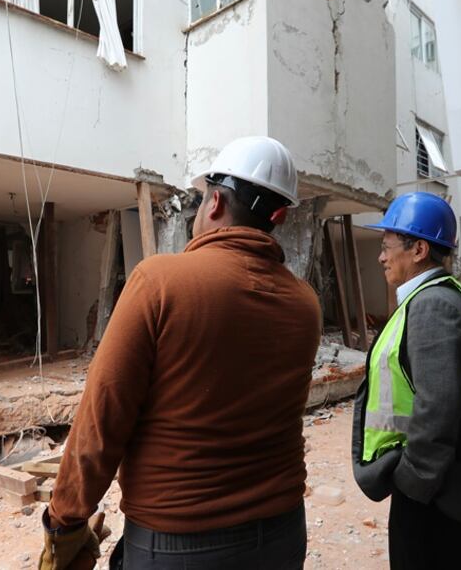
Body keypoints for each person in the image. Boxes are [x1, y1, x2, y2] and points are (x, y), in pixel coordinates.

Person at [39, 136, 321, 570]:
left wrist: (65, 520)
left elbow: (104, 413)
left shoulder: (159, 281)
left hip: (180, 541)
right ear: (276, 217)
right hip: (282, 532)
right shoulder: (306, 304)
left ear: (214, 203)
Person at [354, 192, 461, 570]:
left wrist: (413, 483)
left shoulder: (433, 306)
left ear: (418, 250)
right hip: (442, 486)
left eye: (386, 246)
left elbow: (438, 407)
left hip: (436, 494)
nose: (381, 256)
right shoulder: (433, 298)